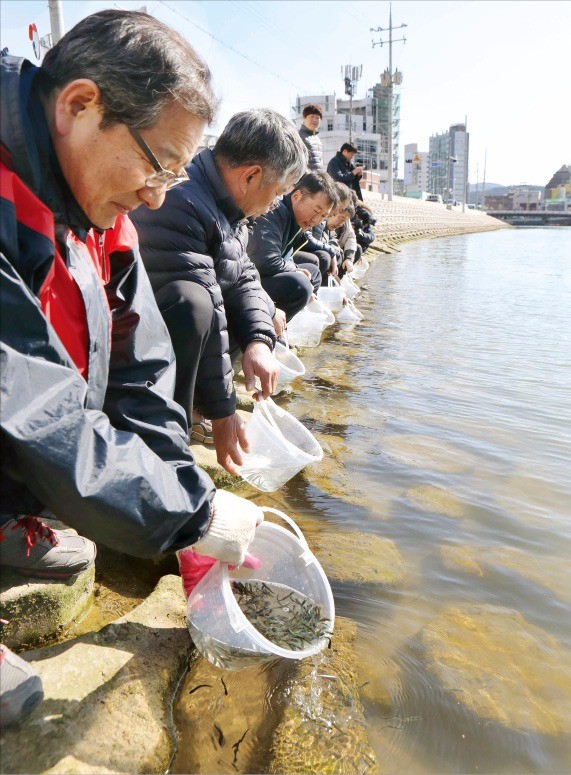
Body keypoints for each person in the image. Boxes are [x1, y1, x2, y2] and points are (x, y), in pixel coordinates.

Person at [0, 10, 262, 727]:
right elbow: (27, 402)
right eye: (158, 162)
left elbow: (144, 368)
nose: (159, 194)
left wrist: (183, 490)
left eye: (178, 173)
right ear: (80, 105)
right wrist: (193, 515)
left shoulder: (98, 205)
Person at [131, 109, 307, 475]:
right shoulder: (183, 201)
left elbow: (244, 276)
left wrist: (259, 340)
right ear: (251, 175)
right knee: (193, 303)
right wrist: (225, 411)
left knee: (255, 308)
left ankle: (194, 409)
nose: (276, 204)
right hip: (133, 347)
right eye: (276, 194)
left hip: (178, 329)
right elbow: (205, 303)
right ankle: (168, 438)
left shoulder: (226, 206)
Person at [247, 171, 338, 322]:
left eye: (323, 216)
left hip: (261, 275)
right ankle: (267, 328)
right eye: (316, 211)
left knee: (312, 273)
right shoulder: (274, 212)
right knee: (300, 285)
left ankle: (285, 326)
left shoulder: (295, 220)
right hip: (248, 280)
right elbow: (265, 260)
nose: (316, 220)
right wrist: (294, 269)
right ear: (297, 196)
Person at [302, 181, 352, 282]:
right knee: (324, 257)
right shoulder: (318, 211)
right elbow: (306, 237)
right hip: (298, 250)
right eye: (340, 208)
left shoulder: (325, 216)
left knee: (335, 254)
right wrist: (330, 250)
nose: (337, 212)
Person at [298, 103, 324, 172]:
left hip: (318, 180)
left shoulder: (317, 139)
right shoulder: (299, 137)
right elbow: (297, 164)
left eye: (317, 118)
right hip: (306, 181)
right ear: (304, 118)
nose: (314, 120)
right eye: (312, 116)